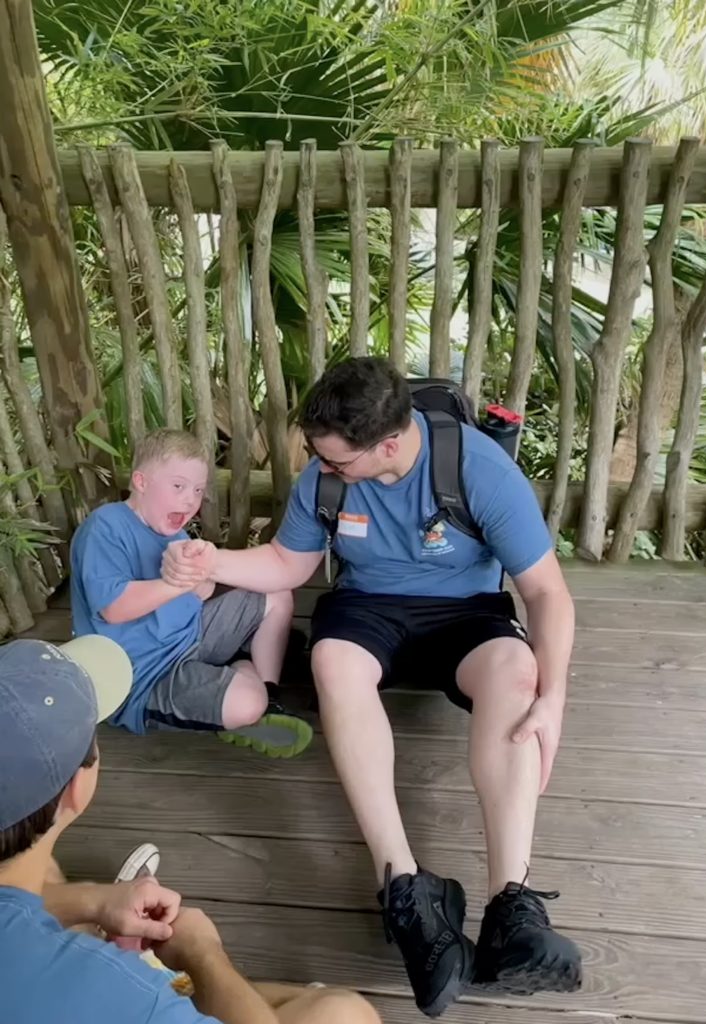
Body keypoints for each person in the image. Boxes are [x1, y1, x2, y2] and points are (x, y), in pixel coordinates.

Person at [162, 357, 582, 1018]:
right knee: (332, 661)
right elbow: (289, 563)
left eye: (335, 459)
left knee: (516, 672)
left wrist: (552, 700)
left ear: (388, 444)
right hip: (368, 609)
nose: (321, 467)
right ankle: (407, 888)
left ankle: (513, 906)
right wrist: (212, 561)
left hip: (466, 611)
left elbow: (546, 594)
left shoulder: (478, 470)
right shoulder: (325, 479)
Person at [0, 635, 382, 1024]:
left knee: (42, 867)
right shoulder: (128, 995)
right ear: (78, 788)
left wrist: (96, 902)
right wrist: (202, 953)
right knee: (345, 1013)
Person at [70, 428, 312, 757]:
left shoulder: (174, 532)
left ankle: (270, 697)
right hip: (144, 673)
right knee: (246, 704)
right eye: (178, 486)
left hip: (190, 634)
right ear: (141, 482)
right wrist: (177, 583)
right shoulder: (105, 526)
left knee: (278, 593)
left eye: (198, 490)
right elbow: (114, 608)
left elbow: (201, 593)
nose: (190, 499)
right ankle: (247, 676)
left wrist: (202, 572)